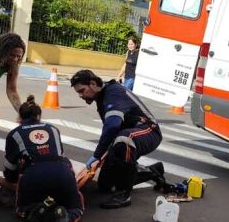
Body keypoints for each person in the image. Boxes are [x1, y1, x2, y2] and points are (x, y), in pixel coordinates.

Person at [70, 69, 166, 209]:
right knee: (105, 185)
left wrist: (97, 155)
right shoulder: (101, 97)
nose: (80, 95)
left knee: (124, 140)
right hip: (128, 133)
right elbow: (111, 130)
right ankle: (152, 171)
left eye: (82, 91)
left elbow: (112, 127)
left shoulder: (113, 92)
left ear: (92, 84)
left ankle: (124, 195)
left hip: (148, 130)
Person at [3, 95, 83, 222]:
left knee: (21, 207)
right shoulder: (53, 129)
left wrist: (11, 182)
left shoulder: (14, 134)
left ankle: (32, 210)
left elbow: (9, 167)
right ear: (39, 116)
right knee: (75, 206)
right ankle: (67, 215)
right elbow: (59, 153)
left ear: (19, 116)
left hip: (33, 175)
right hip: (61, 173)